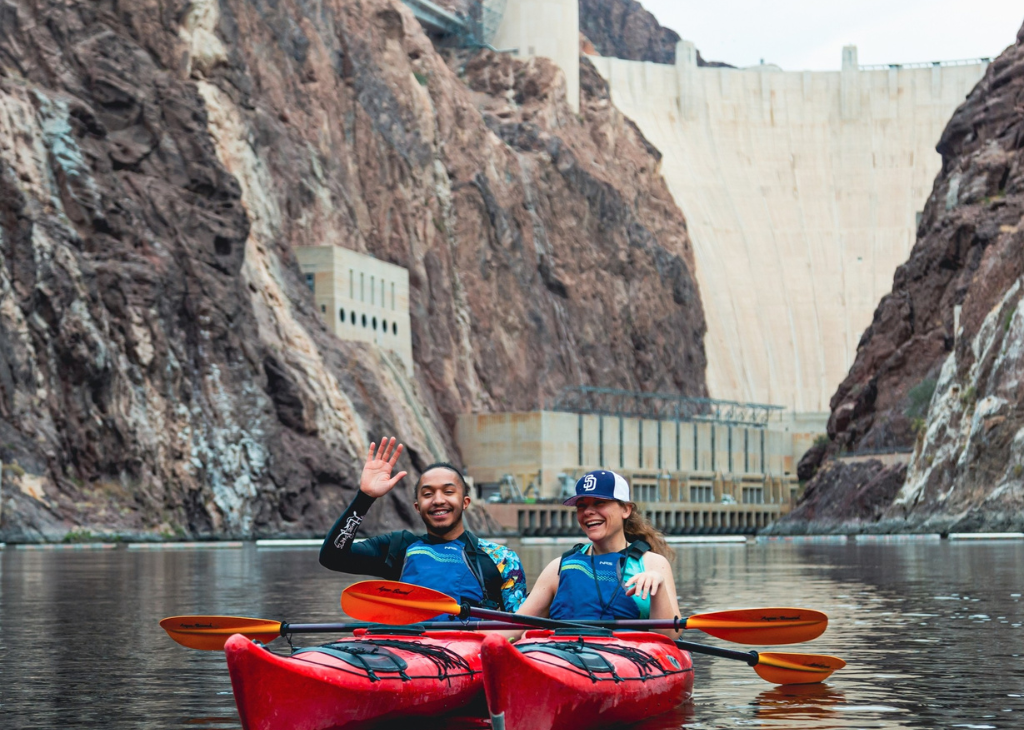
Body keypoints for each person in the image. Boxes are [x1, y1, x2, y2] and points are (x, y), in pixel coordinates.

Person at [320, 437, 527, 616]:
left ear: (465, 502)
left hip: (469, 652)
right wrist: (365, 498)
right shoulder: (398, 547)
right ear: (417, 507)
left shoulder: (502, 559)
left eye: (448, 492)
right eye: (428, 494)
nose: (438, 500)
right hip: (408, 651)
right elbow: (332, 557)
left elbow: (520, 627)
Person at [514, 469, 680, 636]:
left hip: (628, 655)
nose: (588, 512)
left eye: (599, 503)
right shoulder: (558, 567)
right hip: (561, 653)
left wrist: (659, 588)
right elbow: (513, 626)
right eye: (582, 506)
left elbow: (670, 636)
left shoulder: (653, 564)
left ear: (626, 510)